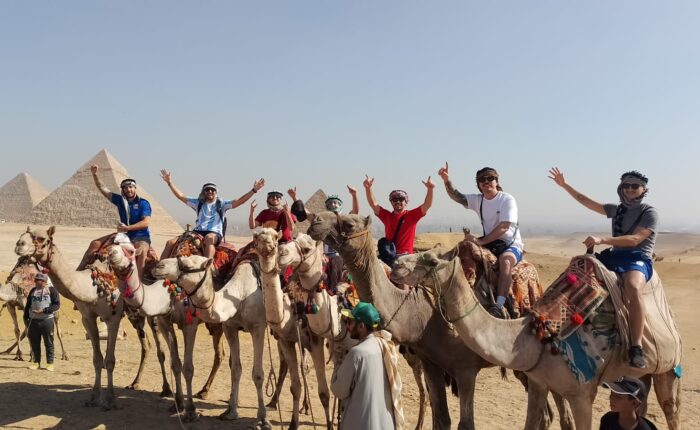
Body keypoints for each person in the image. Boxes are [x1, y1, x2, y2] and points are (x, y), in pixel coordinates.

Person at [549, 168, 658, 369]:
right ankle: (558, 325)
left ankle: (636, 346)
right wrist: (564, 185)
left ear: (643, 189)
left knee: (633, 286)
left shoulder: (649, 212)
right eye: (627, 185)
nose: (631, 189)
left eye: (635, 186)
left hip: (636, 258)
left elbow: (635, 240)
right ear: (621, 189)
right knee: (578, 273)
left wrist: (602, 239)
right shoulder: (616, 210)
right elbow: (584, 200)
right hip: (614, 256)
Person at [438, 163, 523, 316]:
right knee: (463, 251)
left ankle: (500, 304)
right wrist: (446, 180)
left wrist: (481, 241)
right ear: (478, 185)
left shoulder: (507, 199)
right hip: (490, 243)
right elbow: (456, 196)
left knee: (505, 261)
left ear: (496, 181)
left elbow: (504, 226)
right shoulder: (479, 200)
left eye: (490, 178)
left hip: (510, 244)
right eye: (482, 180)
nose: (486, 182)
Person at [160, 169, 264, 259]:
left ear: (216, 192)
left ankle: (207, 267)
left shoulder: (222, 204)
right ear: (203, 192)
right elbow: (181, 196)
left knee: (209, 238)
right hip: (198, 232)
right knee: (170, 242)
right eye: (207, 190)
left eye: (212, 190)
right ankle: (159, 270)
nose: (210, 191)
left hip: (214, 233)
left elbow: (240, 201)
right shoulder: (198, 203)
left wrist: (254, 190)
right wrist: (170, 183)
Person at [332, 302, 404, 430]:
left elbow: (339, 390)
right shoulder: (385, 346)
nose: (347, 326)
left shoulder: (357, 353)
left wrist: (338, 363)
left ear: (361, 326)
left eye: (350, 322)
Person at [77, 165, 153, 281]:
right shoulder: (120, 201)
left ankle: (139, 281)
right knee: (95, 244)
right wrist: (95, 175)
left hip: (140, 236)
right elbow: (103, 189)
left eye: (131, 187)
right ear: (123, 190)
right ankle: (79, 272)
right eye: (125, 188)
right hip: (123, 235)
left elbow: (146, 222)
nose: (128, 190)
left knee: (141, 252)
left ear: (135, 188)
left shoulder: (143, 203)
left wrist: (128, 227)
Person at [288, 186, 359, 291]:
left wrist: (354, 195)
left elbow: (355, 212)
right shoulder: (321, 221)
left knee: (335, 264)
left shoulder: (345, 221)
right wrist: (295, 198)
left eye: (335, 203)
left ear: (340, 205)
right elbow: (306, 213)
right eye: (330, 203)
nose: (333, 205)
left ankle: (333, 292)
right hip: (323, 256)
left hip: (339, 256)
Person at [363, 174, 434, 267]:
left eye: (401, 199)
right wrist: (368, 188)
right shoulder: (387, 216)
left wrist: (430, 189)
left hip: (406, 257)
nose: (397, 201)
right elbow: (373, 204)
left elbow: (427, 205)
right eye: (394, 199)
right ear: (391, 202)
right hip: (389, 256)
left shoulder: (411, 216)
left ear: (406, 202)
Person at [23, 272, 60, 371]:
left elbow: (56, 305)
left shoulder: (52, 290)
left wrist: (43, 310)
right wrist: (26, 318)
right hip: (33, 321)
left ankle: (50, 363)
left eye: (39, 281)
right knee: (35, 343)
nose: (36, 282)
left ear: (44, 281)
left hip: (47, 320)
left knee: (49, 342)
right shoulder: (33, 291)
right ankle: (36, 362)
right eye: (36, 280)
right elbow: (28, 306)